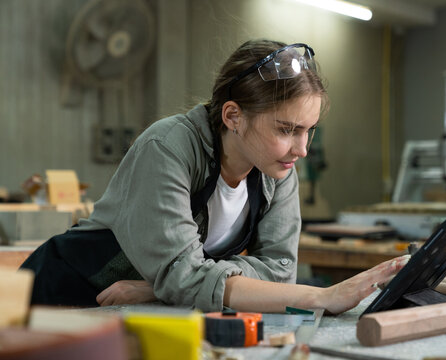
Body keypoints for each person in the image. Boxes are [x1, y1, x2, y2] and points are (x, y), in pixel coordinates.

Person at [21, 39, 409, 314]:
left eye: (309, 130)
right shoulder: (168, 147)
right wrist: (319, 297)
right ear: (232, 116)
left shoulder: (276, 170)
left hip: (134, 305)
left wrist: (156, 290)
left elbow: (279, 270)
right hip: (61, 296)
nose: (302, 148)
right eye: (287, 129)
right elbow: (183, 275)